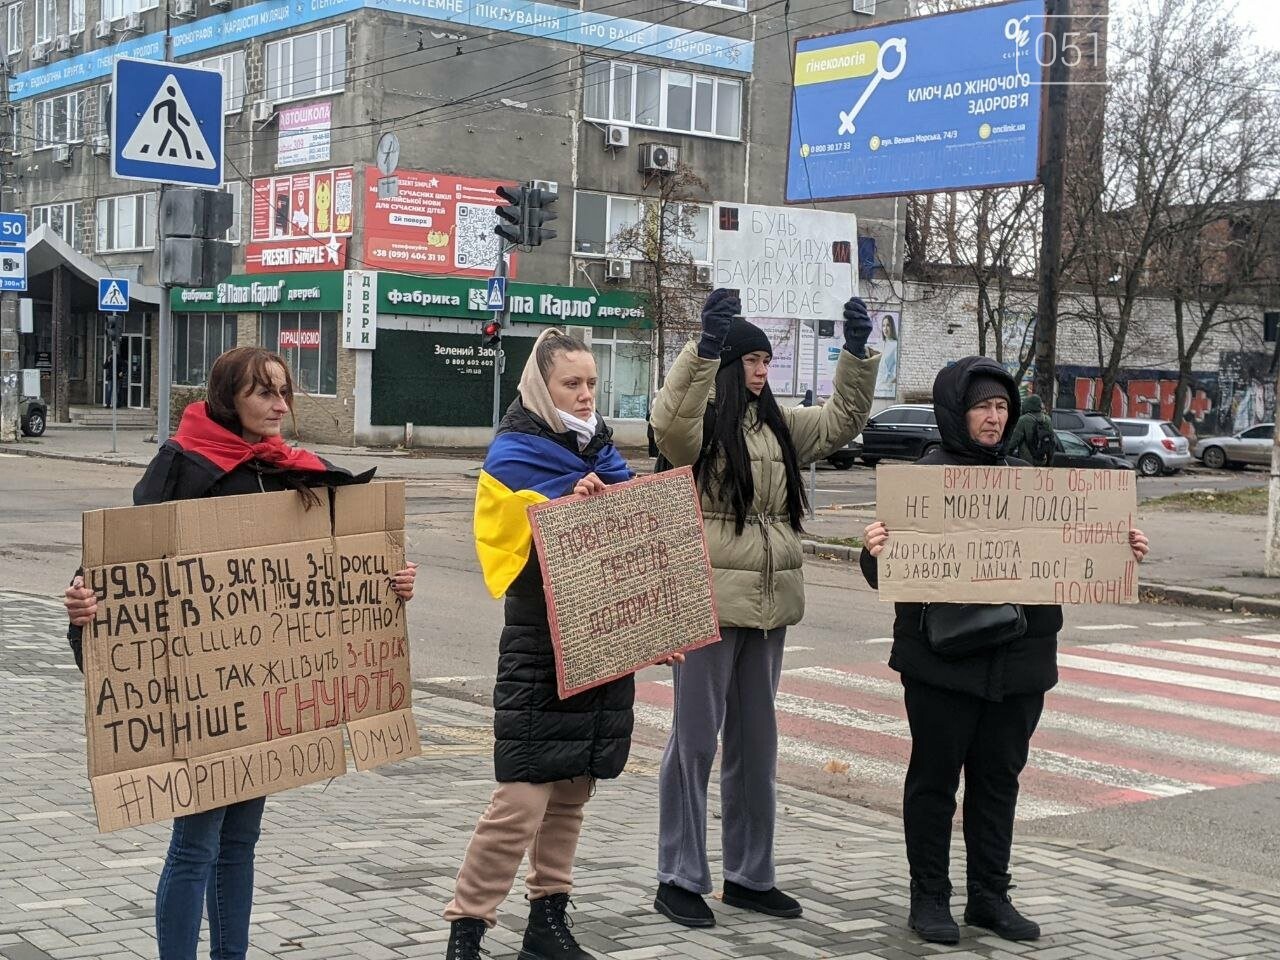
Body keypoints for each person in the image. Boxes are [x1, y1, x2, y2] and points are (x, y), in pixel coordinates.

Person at [63, 346, 419, 960]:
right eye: (264, 393)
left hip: (260, 688)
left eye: (284, 392)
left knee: (240, 843)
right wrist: (86, 607)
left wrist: (392, 585)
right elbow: (123, 559)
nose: (279, 405)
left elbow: (337, 567)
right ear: (230, 399)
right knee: (196, 845)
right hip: (199, 692)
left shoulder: (295, 468)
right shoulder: (184, 464)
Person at [859, 356, 1149, 946]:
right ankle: (930, 898)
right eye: (982, 407)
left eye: (1000, 407)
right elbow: (885, 572)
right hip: (941, 661)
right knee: (935, 781)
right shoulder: (924, 483)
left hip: (1019, 663)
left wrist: (1122, 548)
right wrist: (874, 549)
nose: (993, 418)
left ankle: (990, 896)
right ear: (956, 413)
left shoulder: (1030, 480)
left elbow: (1073, 550)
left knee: (999, 781)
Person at [447, 328, 682, 960]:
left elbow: (636, 557)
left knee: (570, 797)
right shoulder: (513, 456)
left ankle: (547, 924)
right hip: (539, 653)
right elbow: (510, 559)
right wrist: (566, 511)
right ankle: (466, 929)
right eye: (570, 384)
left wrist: (662, 626)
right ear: (540, 387)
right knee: (519, 802)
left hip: (598, 654)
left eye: (591, 384)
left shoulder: (604, 455)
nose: (583, 396)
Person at [649, 289, 879, 928]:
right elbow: (670, 423)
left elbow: (839, 424)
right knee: (694, 742)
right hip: (709, 604)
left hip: (770, 607)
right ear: (729, 364)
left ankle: (750, 876)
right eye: (749, 359)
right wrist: (703, 347)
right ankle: (679, 876)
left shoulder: (778, 424)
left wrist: (856, 357)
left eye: (765, 360)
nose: (759, 370)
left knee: (757, 747)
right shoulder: (699, 432)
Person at [1007, 392, 1055, 466]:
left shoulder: (1023, 420)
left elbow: (1013, 442)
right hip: (1043, 461)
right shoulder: (1047, 419)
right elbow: (1052, 442)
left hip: (1027, 462)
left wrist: (1004, 456)